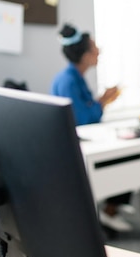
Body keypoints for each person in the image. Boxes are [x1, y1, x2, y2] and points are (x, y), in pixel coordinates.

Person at [51, 23, 133, 234]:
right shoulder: (69, 80)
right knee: (126, 155)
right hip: (73, 149)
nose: (99, 51)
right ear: (86, 55)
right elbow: (83, 120)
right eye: (95, 48)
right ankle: (109, 210)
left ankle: (111, 209)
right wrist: (104, 101)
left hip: (79, 143)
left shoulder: (75, 77)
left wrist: (101, 101)